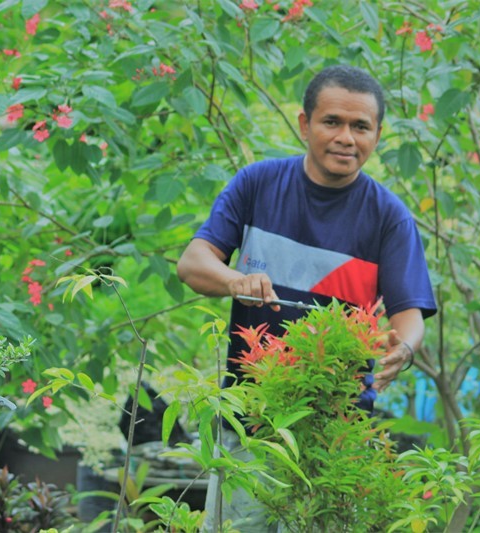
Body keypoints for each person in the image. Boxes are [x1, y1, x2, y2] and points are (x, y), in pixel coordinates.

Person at [177, 65, 437, 531]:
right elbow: (193, 263)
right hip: (251, 424)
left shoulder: (389, 218)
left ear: (377, 135)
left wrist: (405, 348)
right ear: (304, 124)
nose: (346, 138)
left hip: (335, 436)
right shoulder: (257, 184)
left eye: (361, 127)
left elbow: (408, 317)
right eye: (332, 122)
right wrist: (236, 280)